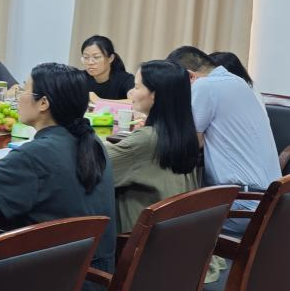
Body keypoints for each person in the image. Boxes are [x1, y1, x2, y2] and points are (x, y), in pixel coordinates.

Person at [0, 63, 116, 291]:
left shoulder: (35, 155)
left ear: (43, 103)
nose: (18, 97)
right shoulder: (91, 142)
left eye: (24, 89)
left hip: (55, 288)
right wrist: (8, 168)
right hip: (95, 278)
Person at [167, 45, 279, 233]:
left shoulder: (205, 86)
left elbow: (190, 142)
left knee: (166, 219)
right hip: (269, 203)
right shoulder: (238, 81)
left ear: (190, 76)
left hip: (243, 205)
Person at [106, 61, 201, 233]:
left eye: (136, 87)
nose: (131, 92)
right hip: (174, 234)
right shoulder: (184, 134)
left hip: (138, 240)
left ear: (154, 95)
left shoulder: (146, 140)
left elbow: (95, 164)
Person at [80, 35, 135, 102]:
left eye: (96, 57)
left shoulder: (126, 80)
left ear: (110, 58)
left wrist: (99, 101)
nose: (90, 62)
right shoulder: (78, 78)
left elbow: (135, 102)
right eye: (86, 57)